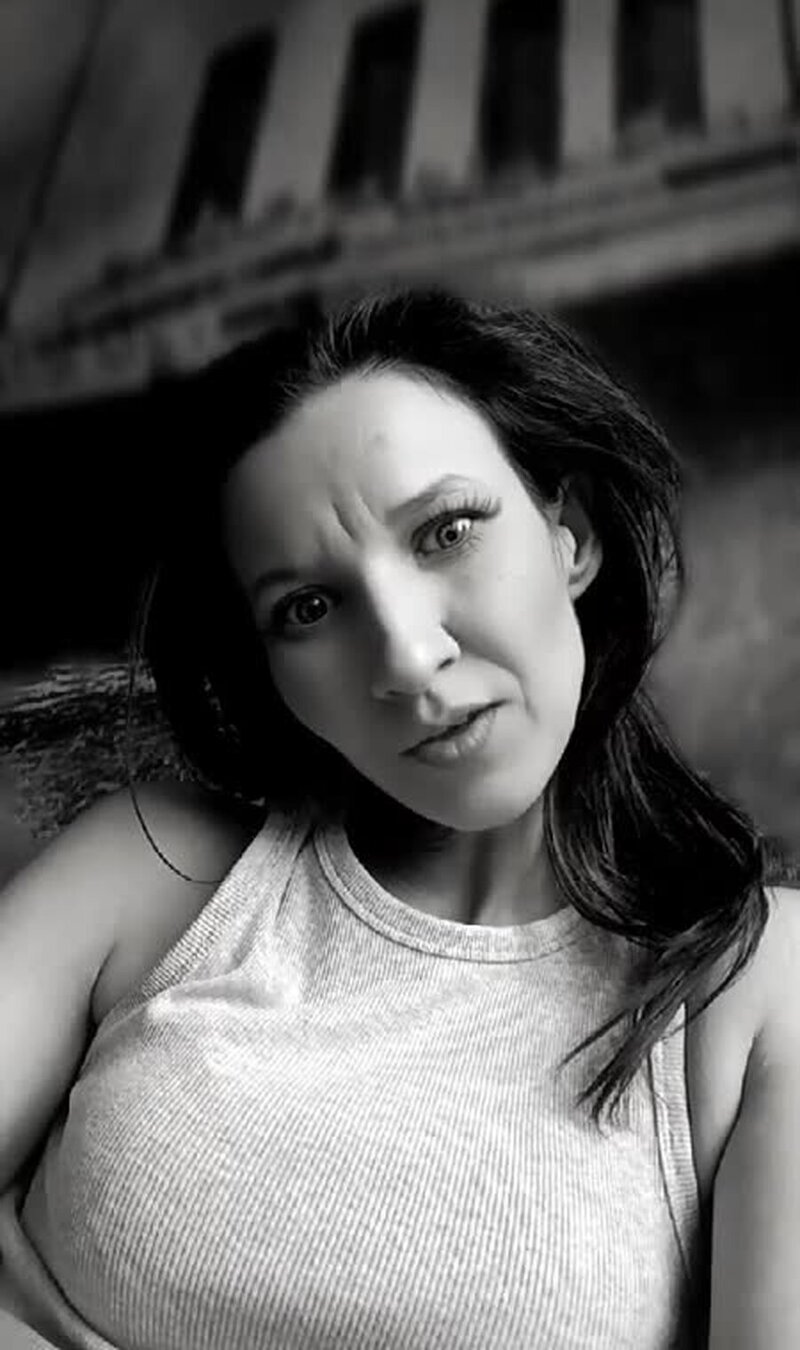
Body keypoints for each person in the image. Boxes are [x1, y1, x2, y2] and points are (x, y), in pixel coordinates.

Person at [0, 286, 797, 1350]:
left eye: (446, 532)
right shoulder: (156, 873)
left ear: (569, 535)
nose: (410, 657)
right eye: (308, 608)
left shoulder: (751, 989)